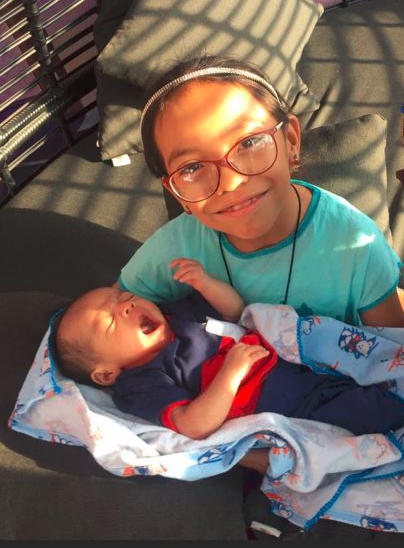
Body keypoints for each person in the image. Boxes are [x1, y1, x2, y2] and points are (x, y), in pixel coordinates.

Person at [117, 54, 404, 330]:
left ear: (291, 140)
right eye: (192, 167)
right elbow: (107, 316)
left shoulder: (356, 245)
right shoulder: (177, 248)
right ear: (176, 193)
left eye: (249, 143)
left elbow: (392, 347)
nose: (230, 183)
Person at [54, 259, 404, 441]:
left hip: (294, 357)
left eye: (123, 297)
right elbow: (192, 425)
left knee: (366, 357)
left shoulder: (178, 314)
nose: (127, 306)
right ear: (106, 373)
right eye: (110, 321)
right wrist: (231, 374)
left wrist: (207, 285)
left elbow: (235, 312)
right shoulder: (140, 383)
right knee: (367, 411)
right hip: (285, 403)